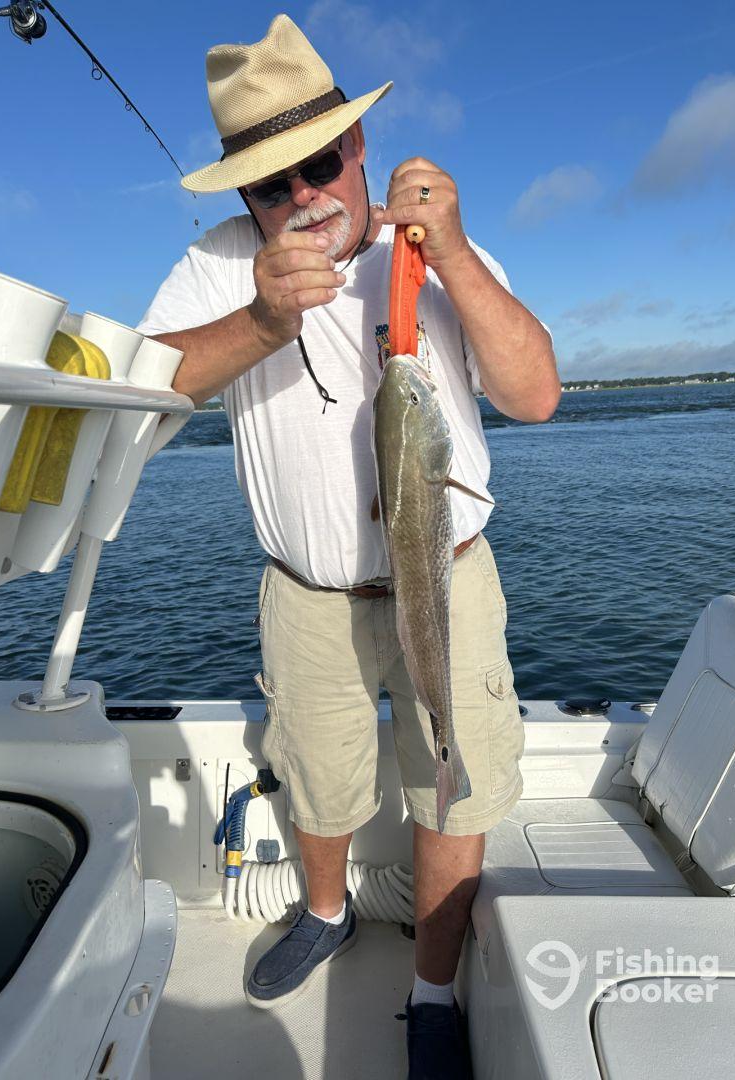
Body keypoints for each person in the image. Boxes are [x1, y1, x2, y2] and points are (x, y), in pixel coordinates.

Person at [138, 14, 559, 1079]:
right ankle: (324, 912)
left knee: (451, 782)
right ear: (243, 199)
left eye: (316, 162)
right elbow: (139, 390)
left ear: (359, 146)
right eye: (267, 184)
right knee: (317, 778)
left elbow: (536, 395)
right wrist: (261, 323)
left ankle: (429, 993)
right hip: (307, 594)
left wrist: (454, 251)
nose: (299, 197)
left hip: (447, 575)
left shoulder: (432, 249)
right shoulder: (219, 266)